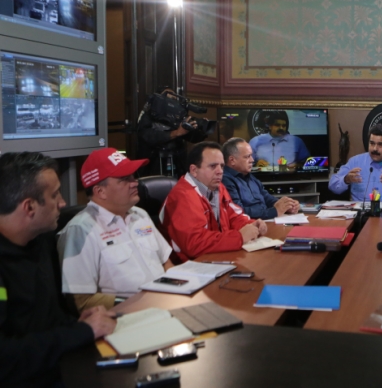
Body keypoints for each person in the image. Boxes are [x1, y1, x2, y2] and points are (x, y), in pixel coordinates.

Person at [0, 152, 116, 385]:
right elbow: (5, 359)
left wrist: (79, 323)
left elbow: (48, 320)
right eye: (54, 195)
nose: (63, 203)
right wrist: (81, 332)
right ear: (29, 207)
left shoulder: (41, 240)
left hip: (61, 365)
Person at [58, 148, 174, 312]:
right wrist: (141, 302)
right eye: (125, 179)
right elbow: (81, 301)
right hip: (128, 316)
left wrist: (178, 287)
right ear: (100, 191)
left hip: (166, 304)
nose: (135, 183)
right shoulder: (81, 231)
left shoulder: (140, 214)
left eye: (133, 176)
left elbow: (165, 261)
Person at [161, 142, 267, 261]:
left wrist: (251, 225)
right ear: (194, 170)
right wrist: (239, 237)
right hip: (188, 265)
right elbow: (195, 243)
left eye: (221, 166)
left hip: (214, 256)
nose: (220, 171)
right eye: (213, 166)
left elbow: (233, 217)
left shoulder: (218, 187)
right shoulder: (183, 196)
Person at [137, 87, 207, 177]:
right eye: (168, 98)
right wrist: (175, 133)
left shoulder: (178, 114)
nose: (171, 101)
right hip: (154, 163)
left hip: (178, 162)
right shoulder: (150, 113)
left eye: (174, 99)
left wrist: (202, 130)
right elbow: (146, 135)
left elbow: (190, 136)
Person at [222, 137, 299, 219]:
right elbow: (238, 211)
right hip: (250, 224)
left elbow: (267, 198)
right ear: (232, 160)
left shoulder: (250, 177)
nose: (252, 160)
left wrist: (286, 206)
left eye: (251, 156)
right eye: (247, 156)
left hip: (266, 220)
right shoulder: (226, 180)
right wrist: (274, 211)